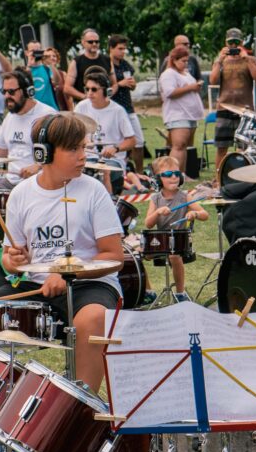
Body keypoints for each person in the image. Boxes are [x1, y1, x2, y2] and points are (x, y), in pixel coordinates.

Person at [0, 113, 124, 449]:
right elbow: (14, 258)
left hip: (91, 285)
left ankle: (76, 418)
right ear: (44, 153)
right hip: (36, 286)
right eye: (75, 149)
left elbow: (114, 255)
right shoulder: (22, 194)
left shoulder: (94, 191)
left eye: (84, 147)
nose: (84, 155)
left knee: (92, 319)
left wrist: (67, 273)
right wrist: (13, 259)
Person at [144, 156, 208, 302]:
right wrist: (157, 212)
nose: (173, 177)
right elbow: (148, 223)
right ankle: (148, 291)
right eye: (167, 174)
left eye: (176, 174)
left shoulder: (185, 196)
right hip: (160, 240)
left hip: (180, 240)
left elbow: (205, 215)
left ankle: (180, 293)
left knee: (173, 254)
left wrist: (194, 213)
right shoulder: (155, 198)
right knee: (137, 255)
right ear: (158, 179)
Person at [74, 67, 136, 195]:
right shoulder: (81, 107)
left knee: (102, 172)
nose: (89, 93)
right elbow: (73, 133)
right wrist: (83, 141)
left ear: (107, 91)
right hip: (88, 158)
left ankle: (109, 201)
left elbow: (132, 140)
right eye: (87, 89)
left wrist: (115, 148)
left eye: (94, 89)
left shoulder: (118, 111)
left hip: (113, 161)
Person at [210, 27, 256, 171]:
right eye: (230, 42)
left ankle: (243, 178)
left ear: (241, 42)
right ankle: (219, 179)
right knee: (222, 148)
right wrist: (218, 61)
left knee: (245, 149)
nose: (233, 46)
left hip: (245, 112)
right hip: (224, 109)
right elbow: (213, 81)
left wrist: (246, 58)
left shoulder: (250, 59)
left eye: (236, 42)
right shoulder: (221, 61)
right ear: (226, 43)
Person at [159, 46, 204, 175]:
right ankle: (173, 174)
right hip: (177, 114)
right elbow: (170, 92)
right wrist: (191, 87)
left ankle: (182, 174)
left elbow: (189, 87)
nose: (186, 64)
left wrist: (196, 87)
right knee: (178, 146)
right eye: (183, 61)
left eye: (187, 61)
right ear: (174, 60)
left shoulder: (185, 73)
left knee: (184, 146)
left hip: (190, 114)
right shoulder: (168, 74)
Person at [109, 34, 145, 173]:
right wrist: (119, 83)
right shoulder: (107, 64)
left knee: (139, 141)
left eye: (124, 49)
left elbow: (131, 84)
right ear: (111, 48)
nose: (123, 52)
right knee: (118, 142)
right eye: (120, 49)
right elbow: (106, 89)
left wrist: (132, 85)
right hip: (113, 109)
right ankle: (120, 173)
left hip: (128, 108)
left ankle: (140, 173)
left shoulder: (125, 64)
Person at [65, 28, 117, 103]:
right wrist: (85, 97)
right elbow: (67, 88)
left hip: (104, 104)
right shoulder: (76, 62)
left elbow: (114, 84)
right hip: (84, 107)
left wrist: (108, 96)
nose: (94, 44)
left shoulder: (107, 60)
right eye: (90, 42)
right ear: (83, 42)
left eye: (97, 41)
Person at [25, 40, 61, 110]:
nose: (36, 53)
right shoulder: (25, 70)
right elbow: (24, 83)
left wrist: (51, 64)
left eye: (38, 51)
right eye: (33, 51)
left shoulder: (47, 68)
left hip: (50, 109)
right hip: (33, 110)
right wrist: (29, 65)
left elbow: (57, 81)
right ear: (26, 53)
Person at [44, 46, 73, 111]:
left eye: (54, 56)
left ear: (57, 59)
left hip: (62, 109)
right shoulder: (42, 75)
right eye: (48, 56)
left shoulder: (63, 74)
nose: (51, 58)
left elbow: (68, 95)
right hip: (47, 109)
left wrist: (71, 109)